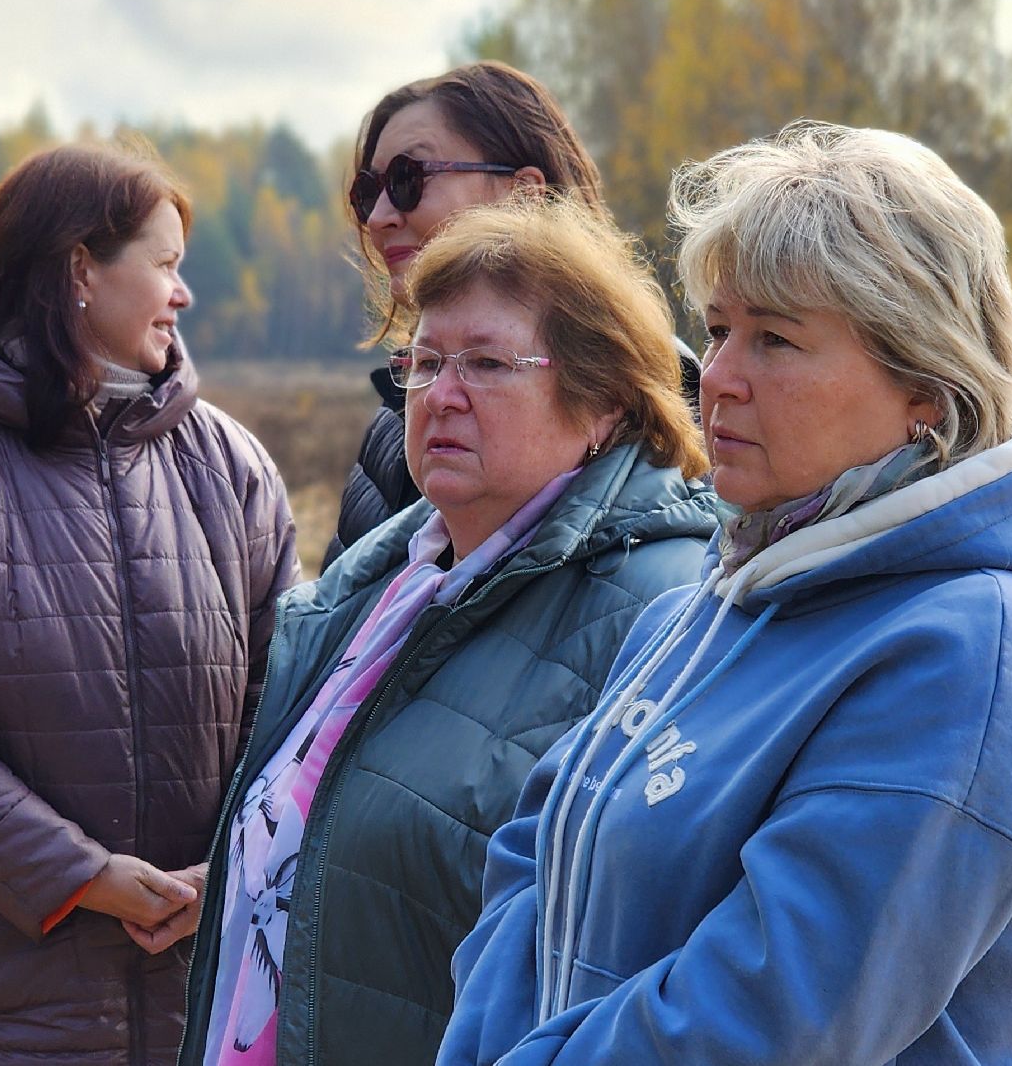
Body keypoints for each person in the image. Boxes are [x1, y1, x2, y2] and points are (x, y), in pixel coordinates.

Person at [439, 121, 1012, 1065]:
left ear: (926, 385)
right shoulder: (700, 609)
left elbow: (768, 1021)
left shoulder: (982, 658)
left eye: (776, 339)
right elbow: (533, 861)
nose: (717, 378)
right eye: (719, 329)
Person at [178, 196, 719, 1066]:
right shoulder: (380, 582)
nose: (441, 395)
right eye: (425, 362)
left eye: (488, 364)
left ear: (605, 403)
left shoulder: (663, 609)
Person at [0, 143, 299, 1064]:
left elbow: (285, 704)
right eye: (165, 264)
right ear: (81, 269)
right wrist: (80, 877)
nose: (183, 293)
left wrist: (230, 870)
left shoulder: (231, 465)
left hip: (197, 999)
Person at [323, 60, 698, 570]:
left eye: (409, 179)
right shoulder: (395, 427)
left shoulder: (668, 405)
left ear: (523, 194)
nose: (378, 217)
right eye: (368, 192)